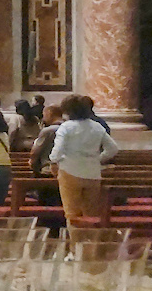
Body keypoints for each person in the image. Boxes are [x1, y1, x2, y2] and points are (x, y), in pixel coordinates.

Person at [50, 94, 119, 225]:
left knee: (72, 213)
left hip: (70, 171)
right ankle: (90, 238)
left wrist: (55, 160)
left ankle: (75, 237)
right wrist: (97, 159)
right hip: (93, 173)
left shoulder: (66, 127)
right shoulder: (97, 126)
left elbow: (57, 151)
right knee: (92, 214)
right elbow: (113, 149)